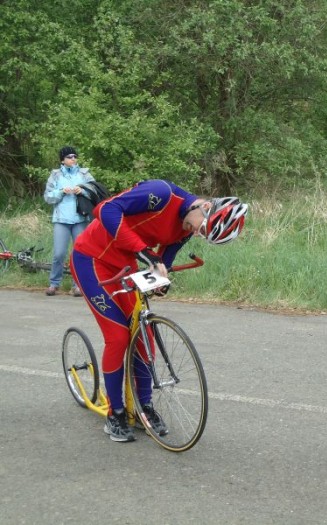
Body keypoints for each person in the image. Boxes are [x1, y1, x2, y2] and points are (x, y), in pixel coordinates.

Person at [70, 179, 248, 442]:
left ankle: (145, 407)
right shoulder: (161, 194)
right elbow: (106, 210)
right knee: (118, 337)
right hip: (92, 259)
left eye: (203, 235)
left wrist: (160, 280)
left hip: (125, 266)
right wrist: (144, 252)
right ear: (206, 206)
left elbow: (163, 260)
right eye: (202, 228)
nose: (195, 233)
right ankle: (115, 413)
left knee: (143, 337)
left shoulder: (187, 228)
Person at [43, 146, 94, 296]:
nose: (73, 159)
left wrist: (83, 191)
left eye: (75, 156)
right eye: (69, 157)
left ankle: (77, 285)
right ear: (62, 160)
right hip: (61, 219)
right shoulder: (55, 175)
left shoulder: (85, 174)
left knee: (79, 253)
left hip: (80, 219)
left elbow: (95, 191)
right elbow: (47, 197)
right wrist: (60, 192)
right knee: (59, 253)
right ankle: (54, 284)